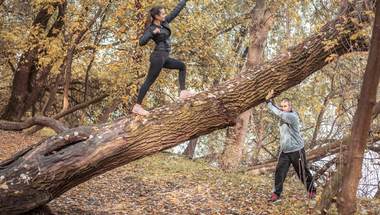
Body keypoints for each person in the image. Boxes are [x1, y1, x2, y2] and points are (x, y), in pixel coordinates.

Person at [132, 0, 196, 116]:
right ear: (157, 16)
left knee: (182, 66)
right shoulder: (152, 28)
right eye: (163, 14)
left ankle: (183, 92)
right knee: (149, 81)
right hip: (158, 57)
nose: (165, 15)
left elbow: (175, 12)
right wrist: (153, 33)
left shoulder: (165, 22)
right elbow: (141, 42)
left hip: (164, 58)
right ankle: (137, 106)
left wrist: (184, 1)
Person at [265, 89, 317, 202]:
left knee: (303, 172)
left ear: (290, 106)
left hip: (296, 149)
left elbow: (278, 112)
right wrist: (273, 98)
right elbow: (278, 110)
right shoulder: (284, 113)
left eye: (285, 106)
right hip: (285, 151)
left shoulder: (292, 116)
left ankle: (312, 190)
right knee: (279, 172)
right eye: (282, 106)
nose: (283, 108)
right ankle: (276, 194)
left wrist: (267, 101)